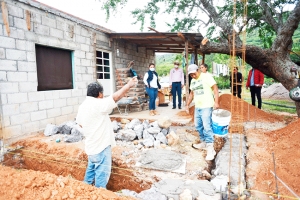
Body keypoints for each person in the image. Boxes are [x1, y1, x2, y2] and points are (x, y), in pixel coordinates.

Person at [75, 77, 138, 188]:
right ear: (99, 94)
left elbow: (80, 124)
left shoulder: (82, 106)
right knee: (101, 179)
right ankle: (100, 194)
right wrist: (128, 85)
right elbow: (116, 97)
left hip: (91, 148)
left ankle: (84, 190)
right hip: (101, 148)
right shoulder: (98, 104)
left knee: (91, 170)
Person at [186, 63, 219, 161]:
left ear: (198, 70)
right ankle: (204, 142)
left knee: (207, 126)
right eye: (191, 74)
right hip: (198, 107)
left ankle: (210, 149)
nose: (193, 75)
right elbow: (191, 94)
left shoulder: (207, 77)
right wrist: (187, 105)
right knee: (198, 125)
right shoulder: (193, 81)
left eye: (194, 73)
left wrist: (216, 102)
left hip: (207, 106)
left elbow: (215, 89)